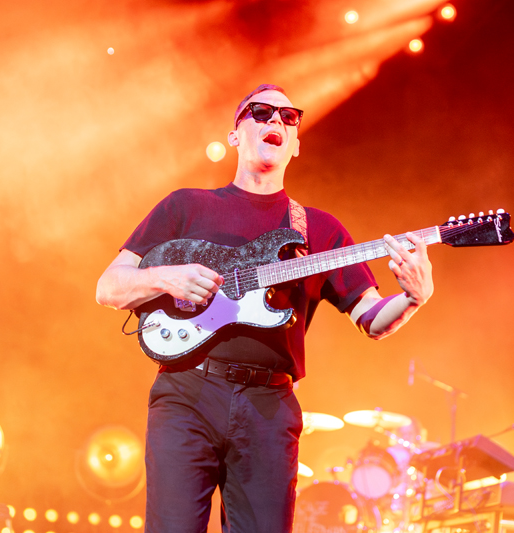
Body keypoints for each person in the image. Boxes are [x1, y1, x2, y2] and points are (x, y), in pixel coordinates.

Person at [95, 83, 434, 533]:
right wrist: (165, 276)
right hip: (186, 394)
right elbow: (109, 286)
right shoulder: (186, 205)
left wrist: (413, 298)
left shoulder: (316, 229)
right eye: (260, 112)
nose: (275, 121)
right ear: (236, 135)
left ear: (295, 146)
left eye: (288, 117)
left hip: (268, 408)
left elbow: (371, 318)